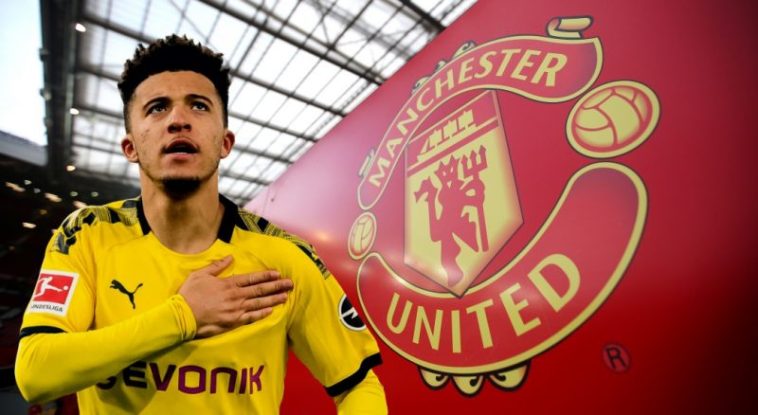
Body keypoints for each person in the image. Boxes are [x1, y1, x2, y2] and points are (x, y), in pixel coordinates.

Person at [15, 34, 386, 414]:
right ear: (131, 147)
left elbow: (358, 384)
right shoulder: (87, 234)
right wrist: (183, 316)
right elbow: (35, 372)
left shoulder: (285, 257)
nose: (178, 120)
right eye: (157, 108)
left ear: (225, 142)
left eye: (198, 105)